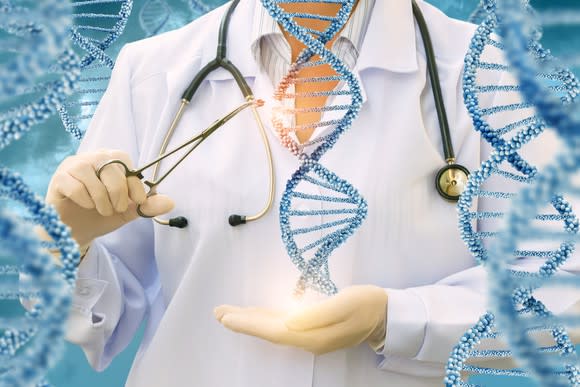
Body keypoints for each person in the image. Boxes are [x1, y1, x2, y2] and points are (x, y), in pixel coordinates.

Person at [46, 0, 580, 386]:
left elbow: (563, 292)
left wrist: (393, 318)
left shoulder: (491, 74)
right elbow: (97, 322)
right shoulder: (151, 72)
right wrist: (68, 242)